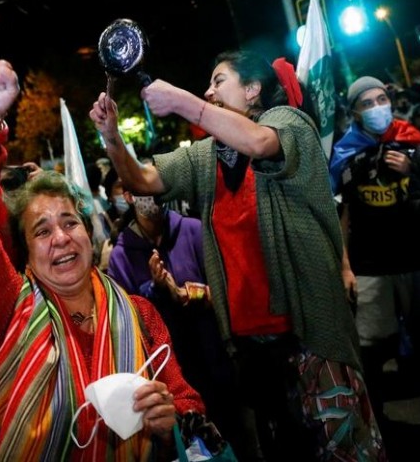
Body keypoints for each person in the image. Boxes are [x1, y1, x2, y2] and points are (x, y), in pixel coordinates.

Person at [90, 50, 385, 461]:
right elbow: (141, 179)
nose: (208, 91)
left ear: (252, 89)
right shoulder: (205, 156)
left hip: (308, 331)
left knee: (342, 447)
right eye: (207, 85)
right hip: (250, 342)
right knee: (283, 448)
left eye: (219, 80)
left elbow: (259, 142)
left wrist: (181, 101)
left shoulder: (288, 123)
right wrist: (111, 135)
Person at [0, 58, 226, 461]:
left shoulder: (141, 314)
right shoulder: (11, 310)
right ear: (25, 252)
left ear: (88, 233)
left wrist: (172, 417)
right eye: (41, 230)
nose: (60, 238)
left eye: (69, 222)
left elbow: (186, 402)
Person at [105, 189, 247, 457]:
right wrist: (153, 290)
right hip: (170, 375)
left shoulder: (192, 230)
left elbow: (228, 291)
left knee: (233, 435)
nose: (152, 198)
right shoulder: (121, 256)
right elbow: (124, 320)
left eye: (156, 190)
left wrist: (185, 294)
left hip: (215, 358)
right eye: (142, 191)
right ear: (128, 196)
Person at [329, 76, 420, 434]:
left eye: (381, 99)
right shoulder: (344, 152)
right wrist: (345, 267)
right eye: (367, 103)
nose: (377, 108)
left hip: (418, 260)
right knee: (372, 349)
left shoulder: (412, 139)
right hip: (371, 265)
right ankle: (380, 428)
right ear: (354, 111)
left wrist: (412, 166)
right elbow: (339, 214)